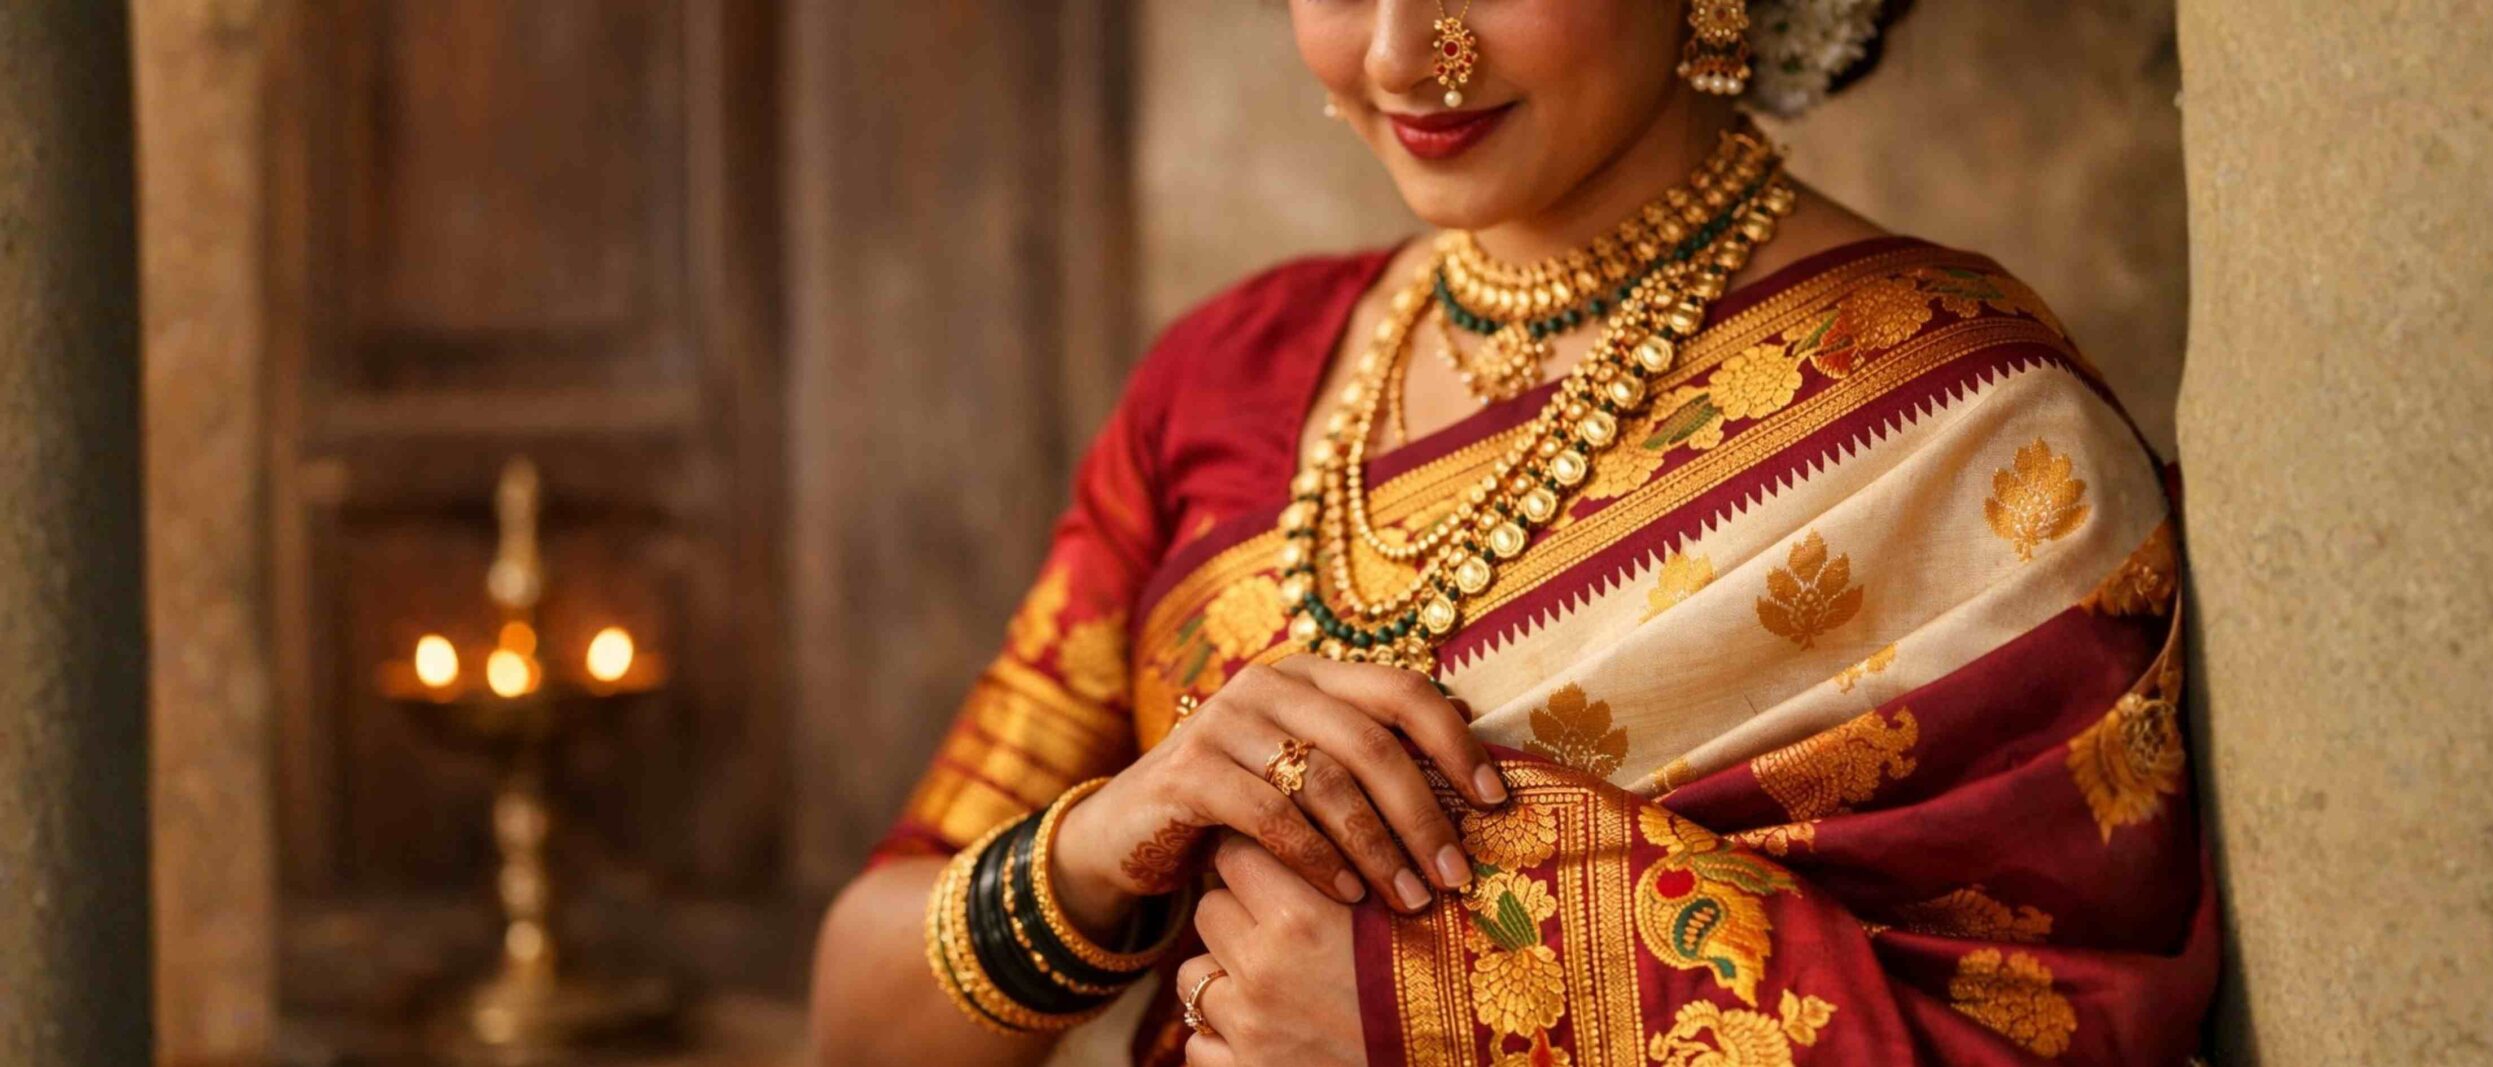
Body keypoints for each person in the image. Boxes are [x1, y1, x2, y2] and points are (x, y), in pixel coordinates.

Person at [812, 1, 2216, 1064]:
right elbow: (860, 1017)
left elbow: (2073, 1034)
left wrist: (1440, 1010)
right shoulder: (1224, 378)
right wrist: (1110, 838)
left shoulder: (1964, 426)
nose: (1398, 53)